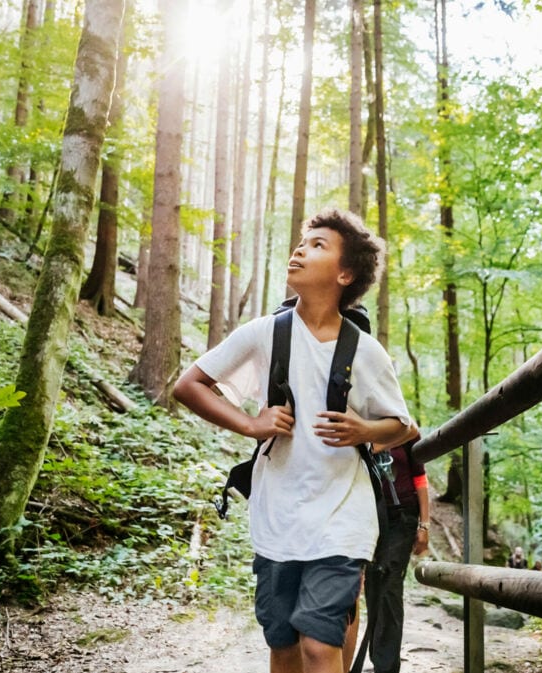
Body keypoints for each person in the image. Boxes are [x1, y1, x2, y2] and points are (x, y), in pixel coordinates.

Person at [173, 208, 414, 673]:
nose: (300, 249)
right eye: (303, 242)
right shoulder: (265, 334)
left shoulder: (365, 351)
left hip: (343, 517)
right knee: (282, 645)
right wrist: (250, 423)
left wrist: (365, 430)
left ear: (345, 274)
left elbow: (402, 426)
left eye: (318, 245)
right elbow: (189, 385)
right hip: (276, 515)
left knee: (320, 646)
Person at [360, 430, 430, 673]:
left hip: (403, 515)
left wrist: (425, 523)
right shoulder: (362, 425)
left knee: (389, 582)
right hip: (371, 515)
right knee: (373, 584)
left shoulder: (405, 427)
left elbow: (420, 478)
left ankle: (386, 666)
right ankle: (379, 658)